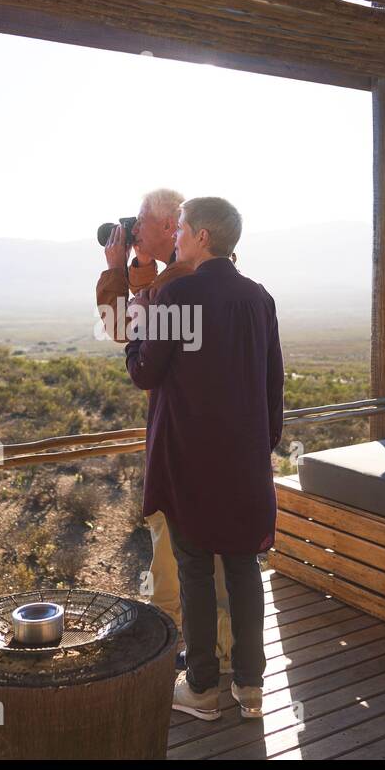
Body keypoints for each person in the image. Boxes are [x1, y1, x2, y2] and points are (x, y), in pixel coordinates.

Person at [125, 196, 283, 720]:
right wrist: (261, 449)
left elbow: (146, 372)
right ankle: (251, 686)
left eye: (183, 230)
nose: (177, 238)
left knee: (194, 568)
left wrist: (137, 323)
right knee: (243, 569)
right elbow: (272, 387)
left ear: (203, 238)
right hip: (245, 464)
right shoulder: (260, 298)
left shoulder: (180, 296)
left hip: (191, 463)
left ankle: (201, 689)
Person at [95, 189, 234, 671]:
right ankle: (222, 653)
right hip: (216, 438)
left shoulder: (180, 279)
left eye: (145, 224)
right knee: (214, 553)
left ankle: (182, 651)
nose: (136, 232)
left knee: (177, 547)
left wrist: (119, 270)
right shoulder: (205, 272)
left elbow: (125, 328)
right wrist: (137, 265)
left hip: (182, 438)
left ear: (173, 224)